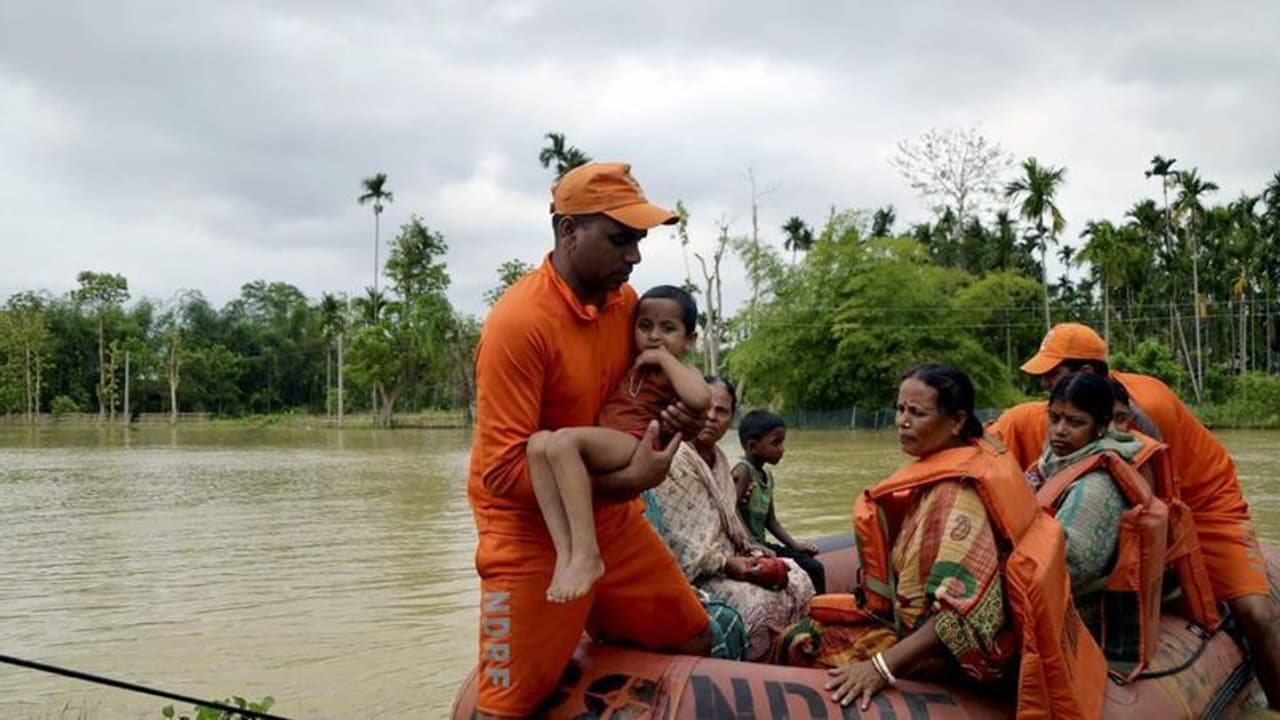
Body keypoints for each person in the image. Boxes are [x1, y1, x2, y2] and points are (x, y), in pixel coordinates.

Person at [467, 162, 712, 719]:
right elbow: (501, 472)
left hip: (614, 524)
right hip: (532, 534)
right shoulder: (519, 323)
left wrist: (680, 421)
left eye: (640, 241)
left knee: (693, 639)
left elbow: (643, 396)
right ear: (567, 231)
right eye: (621, 239)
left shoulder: (627, 306)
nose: (635, 257)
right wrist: (629, 480)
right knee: (501, 710)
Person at [774, 364, 1104, 717]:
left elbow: (955, 619)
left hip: (950, 654)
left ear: (957, 421)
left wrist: (880, 669)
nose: (903, 421)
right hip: (912, 624)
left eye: (917, 413)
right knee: (803, 632)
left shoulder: (960, 495)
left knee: (800, 644)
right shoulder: (958, 462)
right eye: (900, 409)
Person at [988, 322, 1279, 708]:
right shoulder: (1047, 414)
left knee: (1255, 614)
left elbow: (1146, 486)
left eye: (1053, 374)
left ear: (1088, 375)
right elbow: (986, 448)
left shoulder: (1142, 408)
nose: (1045, 386)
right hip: (1148, 502)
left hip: (1204, 501)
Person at [527, 284, 710, 602]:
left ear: (690, 339)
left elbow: (701, 397)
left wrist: (665, 360)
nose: (654, 336)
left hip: (634, 441)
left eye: (668, 329)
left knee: (563, 443)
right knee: (538, 443)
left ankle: (587, 553)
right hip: (612, 437)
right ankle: (565, 553)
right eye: (645, 326)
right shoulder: (631, 359)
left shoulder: (679, 370)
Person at [645, 377, 815, 661]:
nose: (711, 417)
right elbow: (677, 541)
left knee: (798, 577)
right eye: (705, 407)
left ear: (730, 418)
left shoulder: (721, 461)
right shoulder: (672, 457)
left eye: (722, 411)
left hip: (730, 558)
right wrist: (726, 564)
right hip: (698, 574)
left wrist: (749, 554)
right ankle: (753, 674)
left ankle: (792, 657)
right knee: (757, 604)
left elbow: (731, 525)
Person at [1027, 373, 1168, 678]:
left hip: (1078, 606)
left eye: (1075, 422)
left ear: (1101, 427)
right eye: (1054, 419)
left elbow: (1072, 566)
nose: (1060, 431)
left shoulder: (1095, 486)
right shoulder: (1054, 460)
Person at [731, 411, 827, 593]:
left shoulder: (767, 476)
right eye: (776, 443)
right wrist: (751, 543)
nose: (782, 449)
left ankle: (820, 612)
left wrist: (795, 545)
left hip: (762, 544)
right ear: (752, 446)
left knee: (814, 567)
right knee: (810, 569)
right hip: (745, 549)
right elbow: (730, 507)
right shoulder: (743, 471)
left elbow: (771, 521)